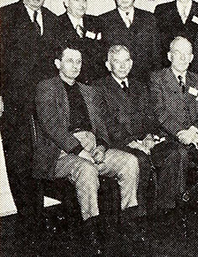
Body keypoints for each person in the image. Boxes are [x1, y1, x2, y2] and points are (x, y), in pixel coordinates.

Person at [33, 46, 144, 254]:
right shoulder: (46, 88)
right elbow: (52, 127)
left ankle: (129, 218)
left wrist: (101, 146)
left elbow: (100, 125)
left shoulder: (88, 91)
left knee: (130, 161)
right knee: (86, 169)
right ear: (58, 64)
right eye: (70, 61)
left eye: (79, 62)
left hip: (91, 147)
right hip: (61, 154)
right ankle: (91, 226)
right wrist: (79, 150)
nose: (75, 66)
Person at [0, 0, 61, 230]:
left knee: (42, 159)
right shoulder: (4, 17)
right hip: (15, 103)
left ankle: (40, 216)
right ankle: (28, 219)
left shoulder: (53, 20)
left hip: (44, 104)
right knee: (19, 159)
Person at [95, 45, 180, 220]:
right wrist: (132, 142)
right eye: (116, 62)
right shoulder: (99, 88)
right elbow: (106, 123)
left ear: (131, 63)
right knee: (140, 160)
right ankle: (138, 215)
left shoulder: (140, 86)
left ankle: (164, 211)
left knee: (173, 152)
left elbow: (151, 117)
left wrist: (149, 136)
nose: (122, 66)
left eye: (126, 61)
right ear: (108, 65)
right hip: (120, 143)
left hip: (145, 140)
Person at [149, 37, 198, 205]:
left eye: (187, 54)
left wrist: (193, 132)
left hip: (195, 137)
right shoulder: (157, 78)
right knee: (179, 153)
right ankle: (172, 208)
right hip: (167, 139)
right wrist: (180, 133)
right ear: (169, 56)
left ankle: (195, 197)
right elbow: (159, 112)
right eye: (178, 53)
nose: (183, 58)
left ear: (192, 57)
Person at [100, 0, 162, 82]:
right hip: (115, 88)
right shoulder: (103, 21)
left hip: (145, 85)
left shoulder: (149, 19)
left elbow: (156, 57)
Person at [57, 0, 106, 84]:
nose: (81, 4)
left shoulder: (96, 22)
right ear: (66, 2)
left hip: (96, 84)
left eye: (84, 0)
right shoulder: (57, 24)